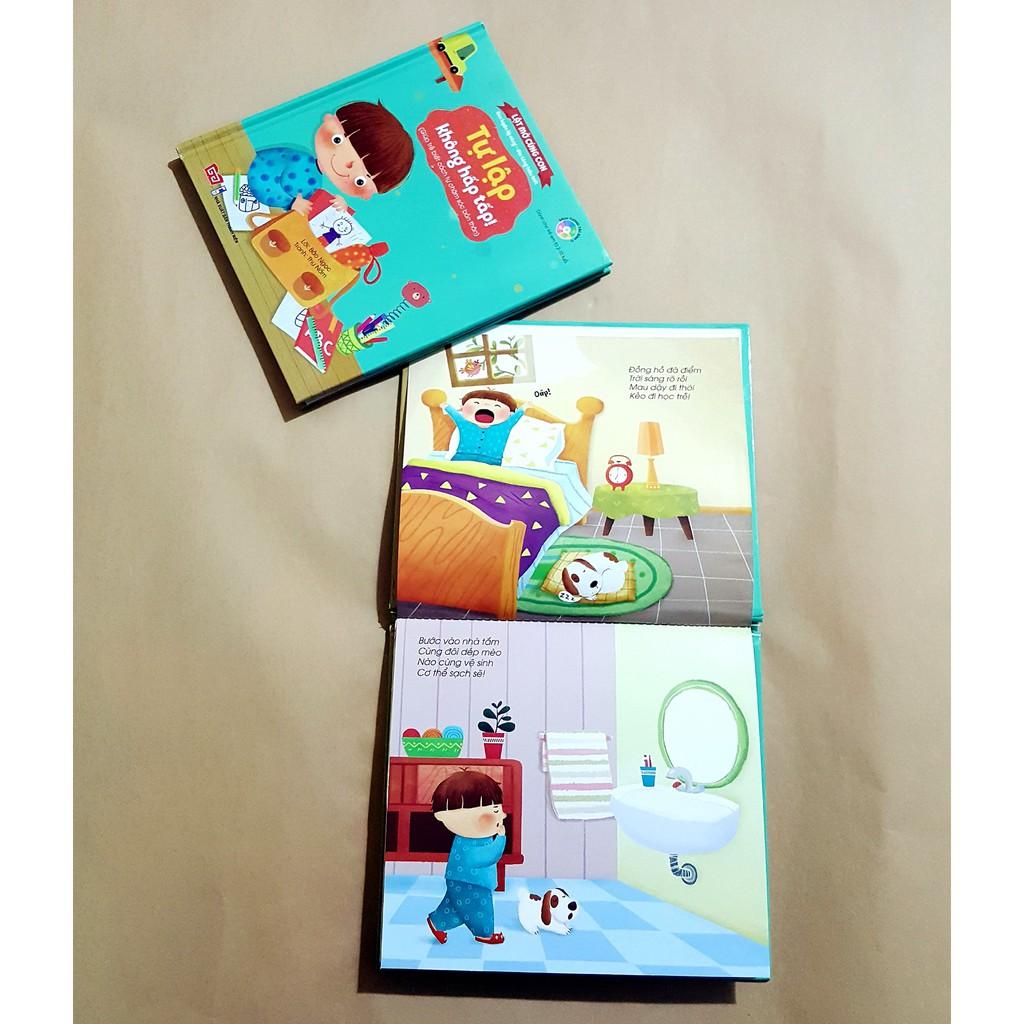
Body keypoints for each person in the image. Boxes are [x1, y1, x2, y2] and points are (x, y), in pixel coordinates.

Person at [246, 101, 413, 214]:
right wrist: (290, 204)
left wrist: (340, 208)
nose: (347, 165)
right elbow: (262, 180)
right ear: (328, 120)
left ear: (367, 195)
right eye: (338, 140)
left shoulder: (315, 180)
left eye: (360, 181)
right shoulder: (301, 161)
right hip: (244, 185)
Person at [426, 771, 508, 945]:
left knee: (456, 907)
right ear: (443, 817)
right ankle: (485, 933)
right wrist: (501, 838)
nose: (501, 816)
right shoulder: (469, 846)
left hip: (461, 879)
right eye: (493, 811)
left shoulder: (470, 838)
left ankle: (436, 922)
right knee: (480, 908)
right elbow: (489, 856)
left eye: (497, 809)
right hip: (472, 882)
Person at [444, 389, 524, 466]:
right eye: (476, 403)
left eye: (497, 405)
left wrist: (525, 407)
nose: (486, 405)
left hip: (492, 462)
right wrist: (445, 406)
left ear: (510, 414)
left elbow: (516, 416)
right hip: (461, 458)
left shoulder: (504, 427)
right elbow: (455, 414)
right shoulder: (464, 424)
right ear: (462, 408)